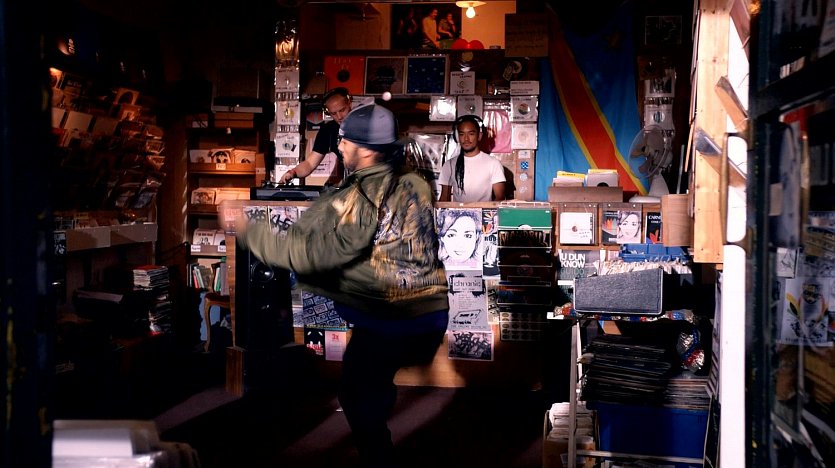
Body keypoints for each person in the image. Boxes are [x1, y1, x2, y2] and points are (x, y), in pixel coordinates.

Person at [228, 104, 449, 468]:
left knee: (356, 392)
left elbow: (316, 254)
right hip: (428, 314)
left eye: (345, 141)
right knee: (369, 384)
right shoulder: (416, 183)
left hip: (391, 316)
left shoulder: (362, 194)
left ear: (366, 149)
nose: (340, 146)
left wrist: (248, 231)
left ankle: (379, 459)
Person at [279, 87, 353, 185]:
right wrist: (293, 172)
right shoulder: (328, 130)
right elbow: (310, 164)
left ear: (349, 103)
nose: (339, 117)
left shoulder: (366, 124)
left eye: (342, 110)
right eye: (334, 113)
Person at [438, 116, 507, 202]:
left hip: (484, 211)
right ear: (457, 137)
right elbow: (444, 199)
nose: (466, 139)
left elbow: (500, 198)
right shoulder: (449, 165)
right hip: (457, 211)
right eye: (462, 134)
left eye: (471, 134)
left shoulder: (493, 163)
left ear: (479, 136)